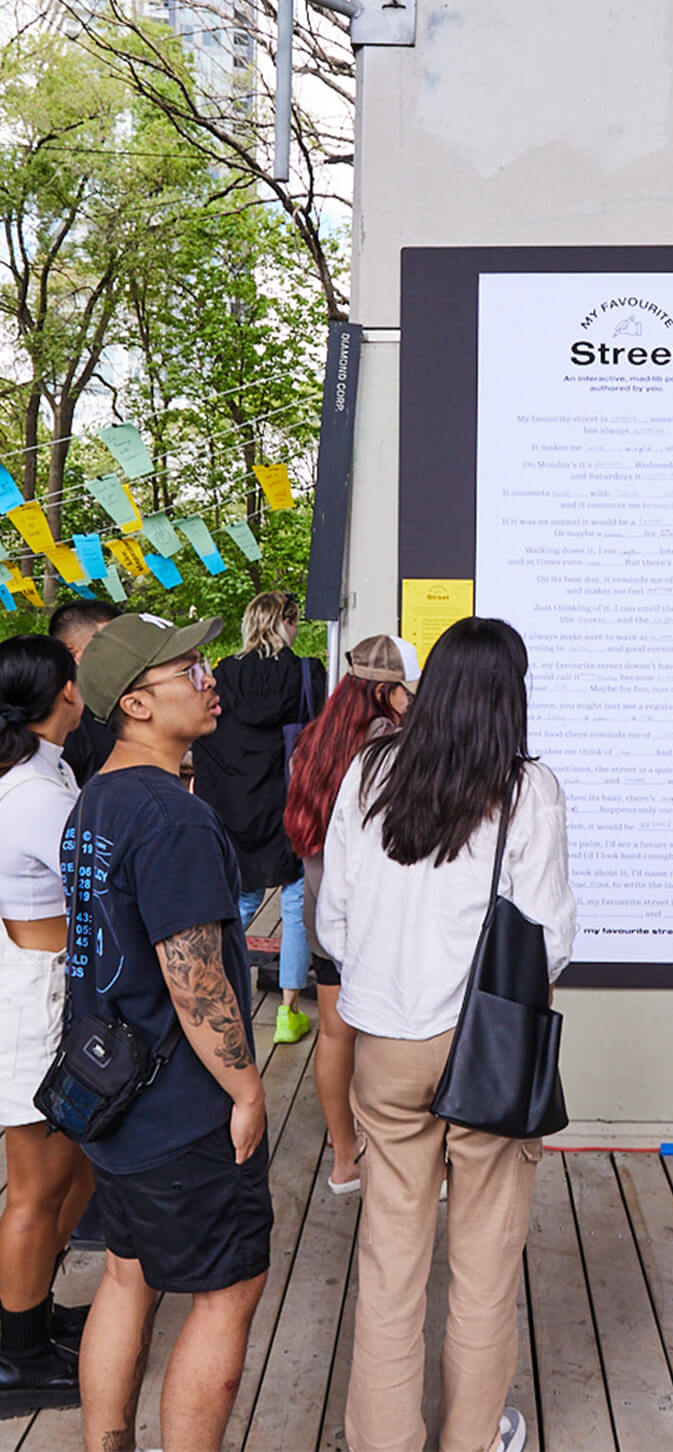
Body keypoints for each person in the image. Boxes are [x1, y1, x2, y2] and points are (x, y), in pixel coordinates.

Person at [318, 617, 575, 1452]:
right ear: (513, 694)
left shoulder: (371, 771)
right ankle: (472, 1438)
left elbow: (334, 920)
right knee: (485, 1263)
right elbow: (550, 939)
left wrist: (389, 980)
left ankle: (383, 1441)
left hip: (385, 1045)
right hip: (487, 1049)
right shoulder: (527, 789)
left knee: (391, 1260)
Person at [70, 613, 272, 1452]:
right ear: (138, 703)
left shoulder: (97, 801)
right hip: (180, 1105)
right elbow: (196, 982)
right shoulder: (171, 817)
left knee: (126, 1274)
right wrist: (247, 1088)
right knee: (226, 1294)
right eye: (190, 667)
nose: (210, 675)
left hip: (109, 1095)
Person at [283, 634, 418, 1196]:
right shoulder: (392, 747)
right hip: (377, 920)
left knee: (335, 1035)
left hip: (322, 912)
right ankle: (390, 1151)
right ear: (389, 692)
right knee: (386, 1036)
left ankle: (344, 1158)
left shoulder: (313, 740)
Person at [0, 636, 95, 1415]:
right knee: (37, 1185)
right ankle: (16, 1356)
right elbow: (97, 878)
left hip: (45, 985)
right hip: (37, 998)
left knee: (70, 1171)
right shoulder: (34, 792)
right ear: (64, 691)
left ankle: (26, 1314)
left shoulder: (44, 768)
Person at [191, 590, 325, 1045]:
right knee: (294, 908)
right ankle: (287, 1014)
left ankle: (219, 998)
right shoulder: (307, 673)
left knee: (238, 903)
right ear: (286, 622)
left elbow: (206, 741)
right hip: (290, 805)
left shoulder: (222, 676)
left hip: (236, 807)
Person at [48, 600, 121, 786]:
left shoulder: (116, 706)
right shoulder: (56, 718)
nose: (123, 655)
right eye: (111, 645)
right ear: (72, 653)